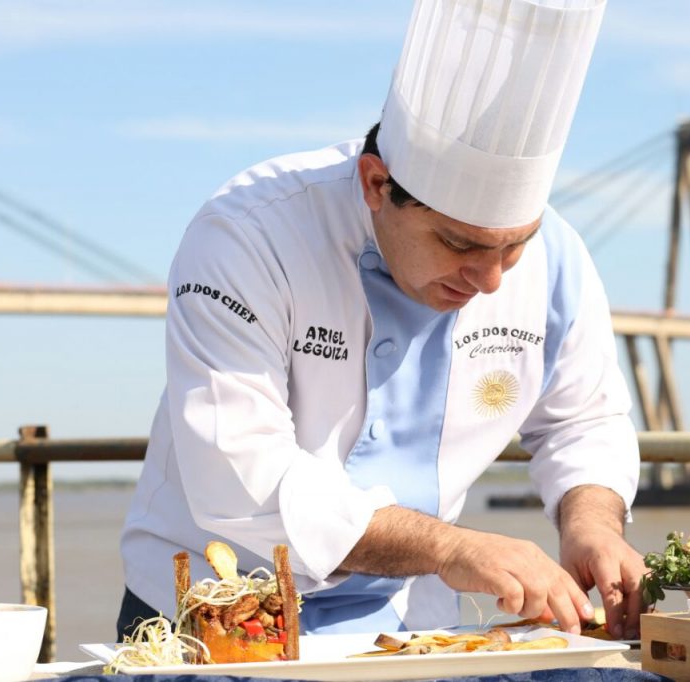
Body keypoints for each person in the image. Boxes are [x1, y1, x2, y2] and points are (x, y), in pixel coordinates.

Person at [119, 0, 646, 641]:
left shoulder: (558, 259)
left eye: (515, 245)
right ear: (376, 184)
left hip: (410, 627)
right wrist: (451, 547)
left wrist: (591, 522)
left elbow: (583, 420)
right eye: (458, 243)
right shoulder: (246, 235)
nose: (491, 280)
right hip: (217, 616)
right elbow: (240, 471)